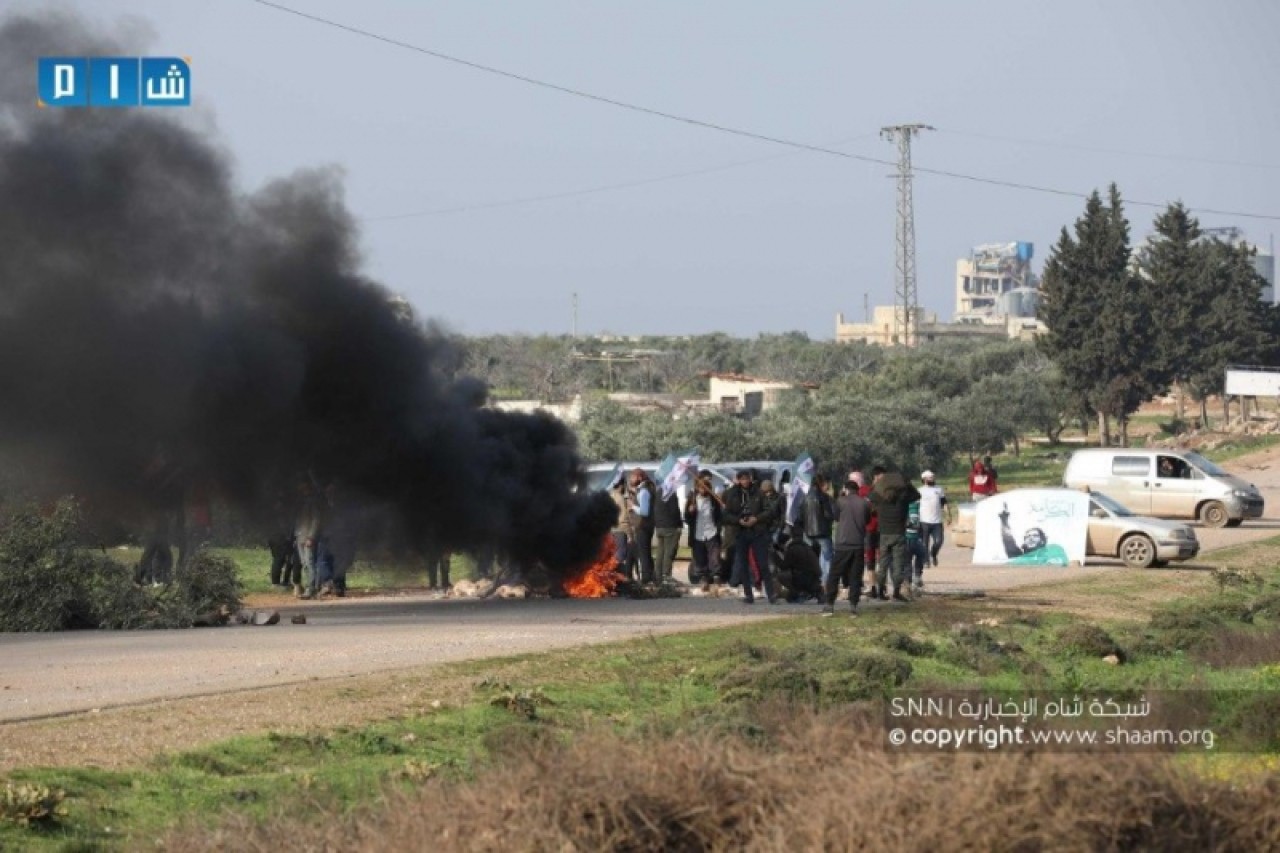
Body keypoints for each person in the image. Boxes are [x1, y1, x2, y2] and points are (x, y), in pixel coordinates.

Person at [725, 469, 780, 604]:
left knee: (763, 564)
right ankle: (748, 595)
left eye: (747, 478)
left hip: (757, 532)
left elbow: (769, 511)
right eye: (742, 479)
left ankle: (771, 595)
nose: (745, 481)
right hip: (741, 532)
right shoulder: (732, 494)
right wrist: (738, 520)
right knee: (743, 564)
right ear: (738, 480)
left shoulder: (758, 493)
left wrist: (756, 518)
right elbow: (726, 515)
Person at [868, 468, 920, 602]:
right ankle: (896, 591)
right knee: (898, 564)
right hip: (899, 534)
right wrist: (906, 484)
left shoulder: (879, 498)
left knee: (883, 564)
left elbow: (871, 494)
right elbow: (917, 495)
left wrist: (880, 483)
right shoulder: (902, 498)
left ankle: (880, 591)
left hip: (884, 534)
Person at [824, 479, 870, 616]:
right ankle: (853, 606)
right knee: (855, 576)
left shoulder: (840, 501)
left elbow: (836, 517)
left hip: (842, 543)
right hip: (858, 544)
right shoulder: (865, 503)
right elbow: (867, 520)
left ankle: (829, 604)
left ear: (846, 489)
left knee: (834, 574)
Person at [685, 471, 723, 592]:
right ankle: (704, 579)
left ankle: (716, 577)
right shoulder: (692, 500)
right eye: (701, 488)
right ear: (698, 488)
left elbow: (720, 516)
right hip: (698, 533)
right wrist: (690, 512)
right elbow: (687, 518)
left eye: (706, 488)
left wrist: (718, 528)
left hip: (711, 531)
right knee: (700, 558)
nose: (703, 490)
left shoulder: (714, 500)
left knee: (714, 557)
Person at [803, 474, 835, 590]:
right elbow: (829, 515)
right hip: (822, 531)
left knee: (809, 559)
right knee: (826, 558)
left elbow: (801, 515)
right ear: (821, 483)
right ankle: (825, 583)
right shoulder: (824, 497)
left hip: (807, 532)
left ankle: (810, 584)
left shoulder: (804, 497)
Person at [652, 477, 683, 585]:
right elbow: (675, 511)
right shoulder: (671, 494)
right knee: (669, 552)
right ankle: (666, 575)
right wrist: (679, 524)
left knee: (660, 552)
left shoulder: (658, 493)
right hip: (670, 526)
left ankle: (658, 576)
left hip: (659, 526)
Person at [917, 470, 950, 570]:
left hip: (937, 521)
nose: (932, 479)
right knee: (924, 543)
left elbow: (944, 503)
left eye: (933, 477)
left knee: (939, 541)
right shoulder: (920, 491)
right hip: (924, 521)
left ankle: (933, 554)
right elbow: (916, 505)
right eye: (930, 477)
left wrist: (949, 515)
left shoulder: (939, 489)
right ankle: (926, 560)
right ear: (924, 479)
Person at [628, 468, 656, 584]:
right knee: (644, 551)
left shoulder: (644, 491)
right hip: (646, 526)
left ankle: (646, 578)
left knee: (643, 553)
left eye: (632, 477)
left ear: (639, 477)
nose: (630, 479)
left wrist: (632, 506)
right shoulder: (644, 489)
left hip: (643, 526)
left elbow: (644, 512)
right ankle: (650, 576)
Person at [608, 470, 633, 577]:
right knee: (620, 556)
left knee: (612, 556)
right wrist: (629, 534)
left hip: (610, 530)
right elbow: (623, 519)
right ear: (621, 485)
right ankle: (617, 577)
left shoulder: (610, 496)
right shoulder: (620, 498)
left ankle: (611, 577)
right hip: (619, 531)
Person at [904, 495, 927, 593]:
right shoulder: (904, 507)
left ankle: (917, 577)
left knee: (922, 554)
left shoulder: (918, 508)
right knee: (907, 561)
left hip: (916, 538)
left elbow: (921, 522)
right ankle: (908, 583)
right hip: (907, 538)